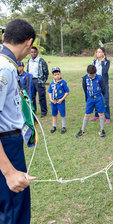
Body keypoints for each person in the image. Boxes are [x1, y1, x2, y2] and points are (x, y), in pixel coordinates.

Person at [0, 18, 36, 224]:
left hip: (8, 143)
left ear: (4, 37)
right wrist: (10, 171)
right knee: (14, 210)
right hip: (6, 146)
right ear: (29, 42)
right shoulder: (5, 68)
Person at [76, 65, 106, 138]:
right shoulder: (85, 78)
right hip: (90, 99)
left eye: (93, 75)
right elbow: (84, 88)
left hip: (98, 98)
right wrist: (87, 98)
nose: (91, 76)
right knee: (87, 114)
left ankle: (102, 130)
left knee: (101, 114)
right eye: (90, 74)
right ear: (88, 73)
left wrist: (101, 97)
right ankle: (82, 130)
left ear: (95, 73)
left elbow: (103, 88)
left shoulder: (99, 78)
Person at [27, 46, 49, 118]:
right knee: (32, 96)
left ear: (37, 52)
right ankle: (33, 111)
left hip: (39, 80)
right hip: (31, 80)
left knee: (41, 96)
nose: (33, 53)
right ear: (30, 53)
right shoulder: (29, 61)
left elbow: (46, 72)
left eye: (35, 52)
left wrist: (43, 80)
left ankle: (44, 111)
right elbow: (28, 70)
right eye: (32, 52)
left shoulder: (41, 61)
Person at [91, 47, 111, 124]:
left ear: (103, 53)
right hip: (95, 83)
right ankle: (97, 115)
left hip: (104, 83)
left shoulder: (106, 62)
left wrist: (102, 62)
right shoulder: (94, 62)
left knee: (105, 100)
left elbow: (105, 71)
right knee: (96, 99)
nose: (98, 53)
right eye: (97, 52)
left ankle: (107, 117)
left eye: (100, 52)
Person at [48, 67, 70, 134]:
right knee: (54, 114)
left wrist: (62, 99)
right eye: (55, 75)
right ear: (53, 75)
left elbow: (67, 91)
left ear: (60, 74)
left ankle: (63, 127)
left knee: (62, 114)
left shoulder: (63, 83)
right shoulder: (52, 83)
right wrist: (51, 99)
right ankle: (54, 126)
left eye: (58, 74)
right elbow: (50, 92)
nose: (57, 76)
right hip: (53, 102)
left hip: (60, 101)